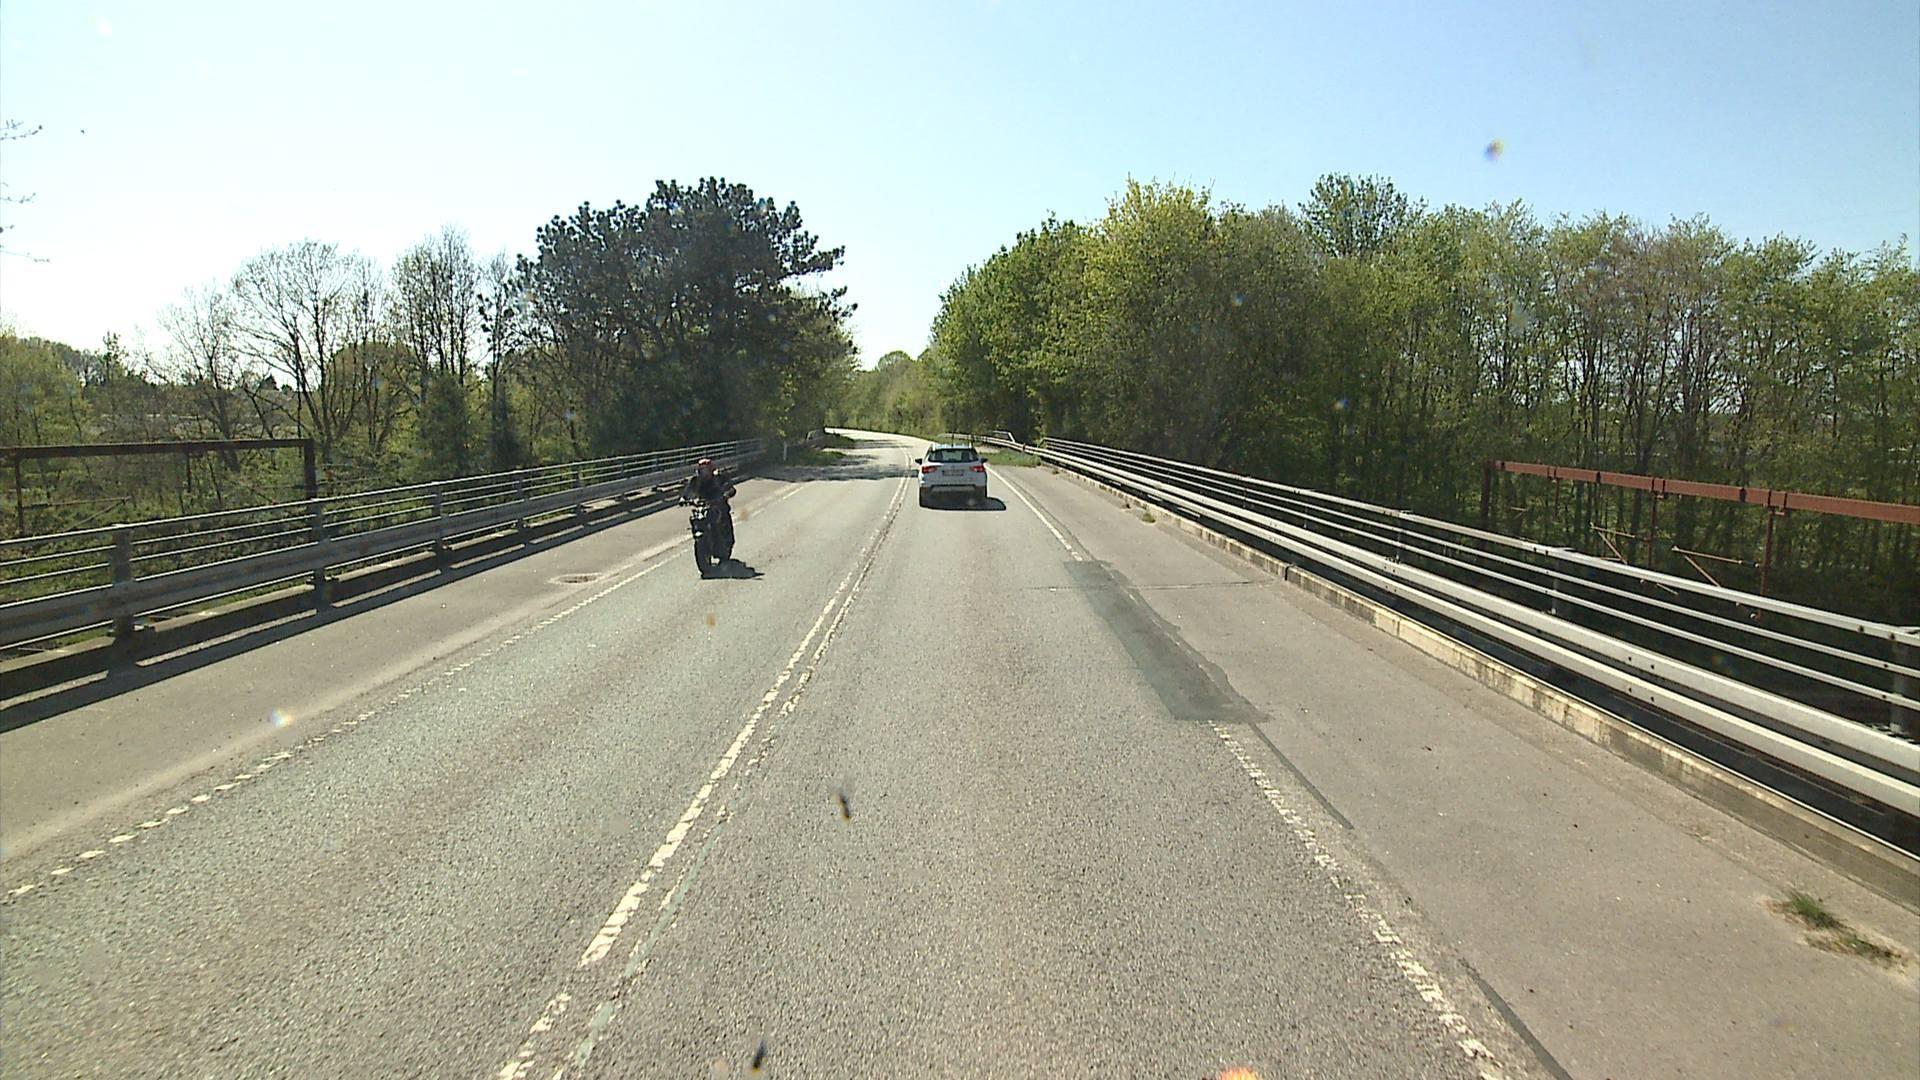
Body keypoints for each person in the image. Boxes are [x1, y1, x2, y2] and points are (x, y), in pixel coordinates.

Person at [681, 457, 737, 564]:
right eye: (701, 469)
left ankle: (726, 543)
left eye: (706, 469)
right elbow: (687, 492)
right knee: (696, 518)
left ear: (711, 469)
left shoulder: (719, 478)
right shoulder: (696, 480)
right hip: (703, 505)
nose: (703, 472)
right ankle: (704, 543)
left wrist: (726, 494)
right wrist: (684, 499)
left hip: (719, 505)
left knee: (723, 518)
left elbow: (731, 488)